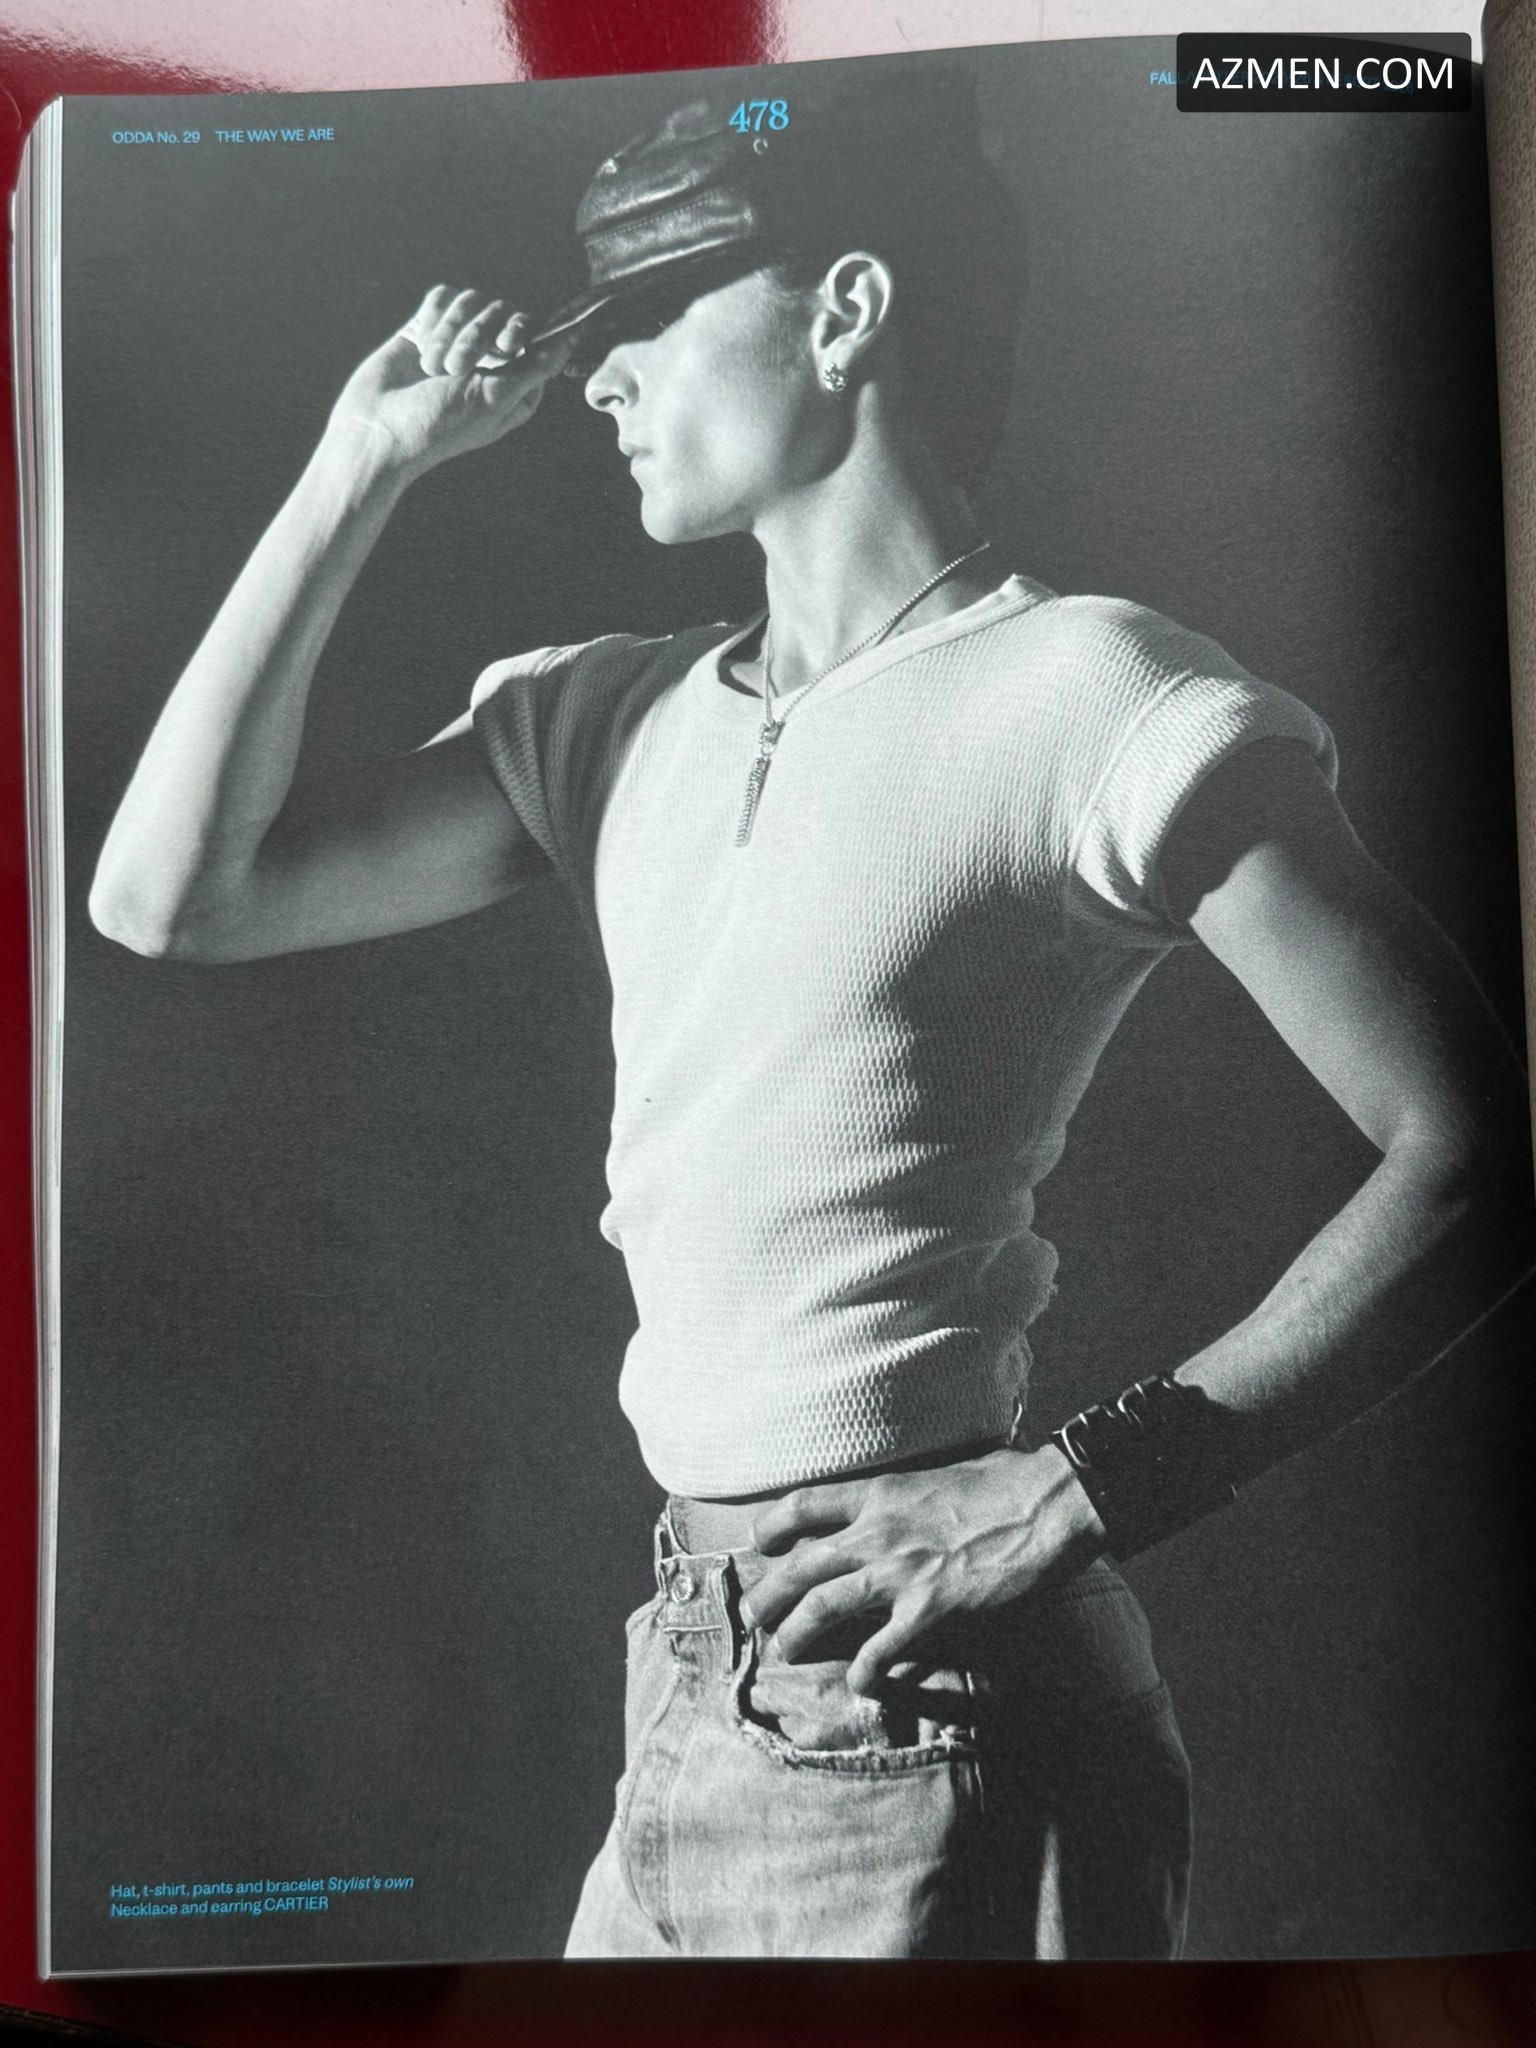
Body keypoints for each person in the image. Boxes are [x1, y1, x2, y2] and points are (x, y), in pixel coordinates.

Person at [88, 71, 1533, 1959]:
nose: (598, 382)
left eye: (647, 320)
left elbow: (1481, 1150)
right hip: (690, 1675)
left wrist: (1085, 1487)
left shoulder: (1096, 696)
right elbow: (170, 898)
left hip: (935, 1708)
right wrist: (361, 464)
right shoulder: (604, 716)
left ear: (847, 309)